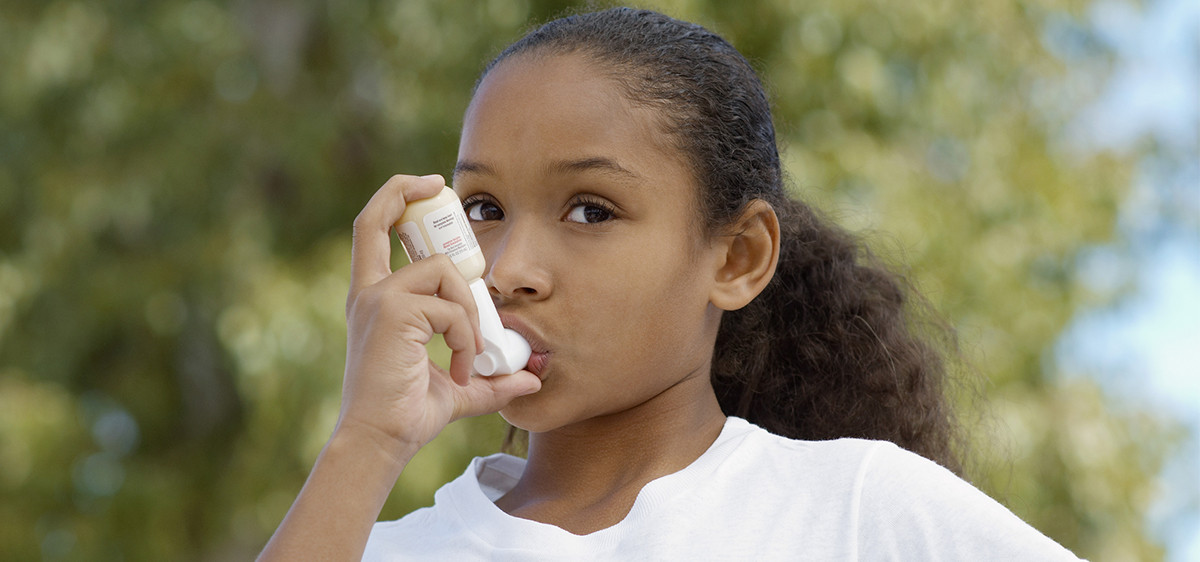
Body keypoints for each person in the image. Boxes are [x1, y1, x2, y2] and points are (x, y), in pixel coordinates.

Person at [260, 7, 1082, 561]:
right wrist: (367, 441)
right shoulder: (385, 549)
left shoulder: (860, 512)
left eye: (590, 210)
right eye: (483, 208)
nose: (506, 270)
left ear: (736, 258)